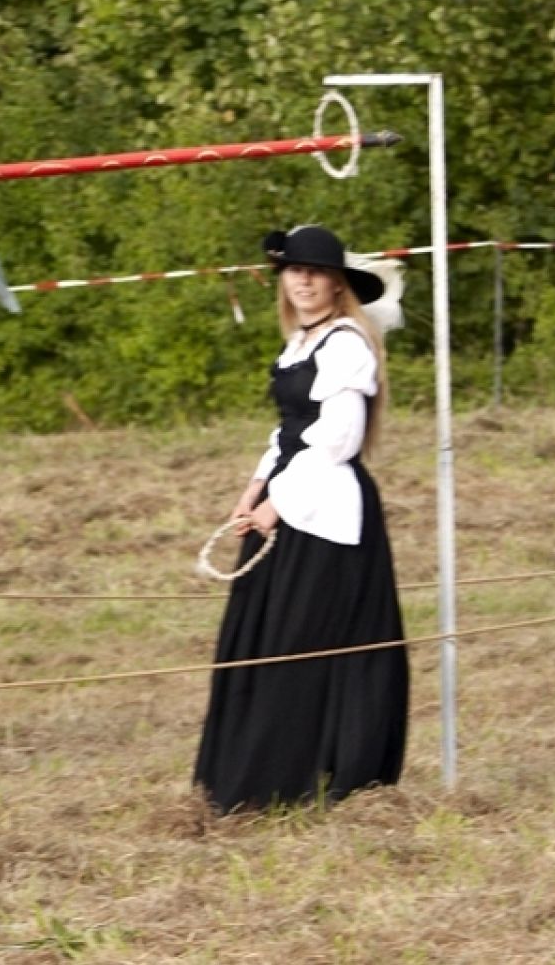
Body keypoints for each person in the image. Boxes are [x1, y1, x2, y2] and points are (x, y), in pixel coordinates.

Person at [194, 225, 409, 813]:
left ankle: (304, 781)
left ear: (338, 284)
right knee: (267, 641)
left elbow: (338, 438)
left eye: (316, 271)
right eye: (295, 270)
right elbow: (286, 433)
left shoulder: (344, 344)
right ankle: (253, 781)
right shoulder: (298, 344)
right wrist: (252, 491)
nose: (304, 279)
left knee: (302, 644)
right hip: (287, 501)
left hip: (325, 509)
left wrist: (275, 504)